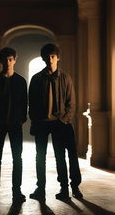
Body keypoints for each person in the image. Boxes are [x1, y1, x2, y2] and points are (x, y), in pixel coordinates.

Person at [29, 43, 83, 201]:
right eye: (47, 56)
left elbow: (71, 103)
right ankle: (41, 189)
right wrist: (35, 120)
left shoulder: (65, 78)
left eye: (53, 56)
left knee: (62, 156)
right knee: (40, 156)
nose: (50, 59)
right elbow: (31, 102)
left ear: (58, 57)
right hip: (41, 123)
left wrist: (63, 120)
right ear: (43, 58)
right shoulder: (36, 79)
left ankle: (68, 188)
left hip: (60, 122)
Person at [0, 47, 27, 203]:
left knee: (18, 158)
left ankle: (17, 191)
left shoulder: (21, 81)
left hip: (15, 124)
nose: (8, 62)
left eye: (11, 59)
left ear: (15, 60)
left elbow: (24, 102)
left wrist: (21, 119)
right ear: (0, 61)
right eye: (5, 59)